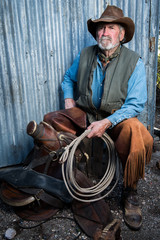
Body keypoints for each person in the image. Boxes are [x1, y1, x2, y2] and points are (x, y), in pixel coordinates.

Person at [61, 5, 153, 231]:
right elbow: (67, 79)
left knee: (137, 133)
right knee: (51, 121)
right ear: (96, 33)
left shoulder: (134, 62)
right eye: (101, 28)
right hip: (85, 115)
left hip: (116, 119)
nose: (104, 32)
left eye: (111, 27)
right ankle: (66, 179)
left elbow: (135, 104)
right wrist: (69, 101)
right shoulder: (84, 55)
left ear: (121, 35)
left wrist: (107, 122)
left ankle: (130, 191)